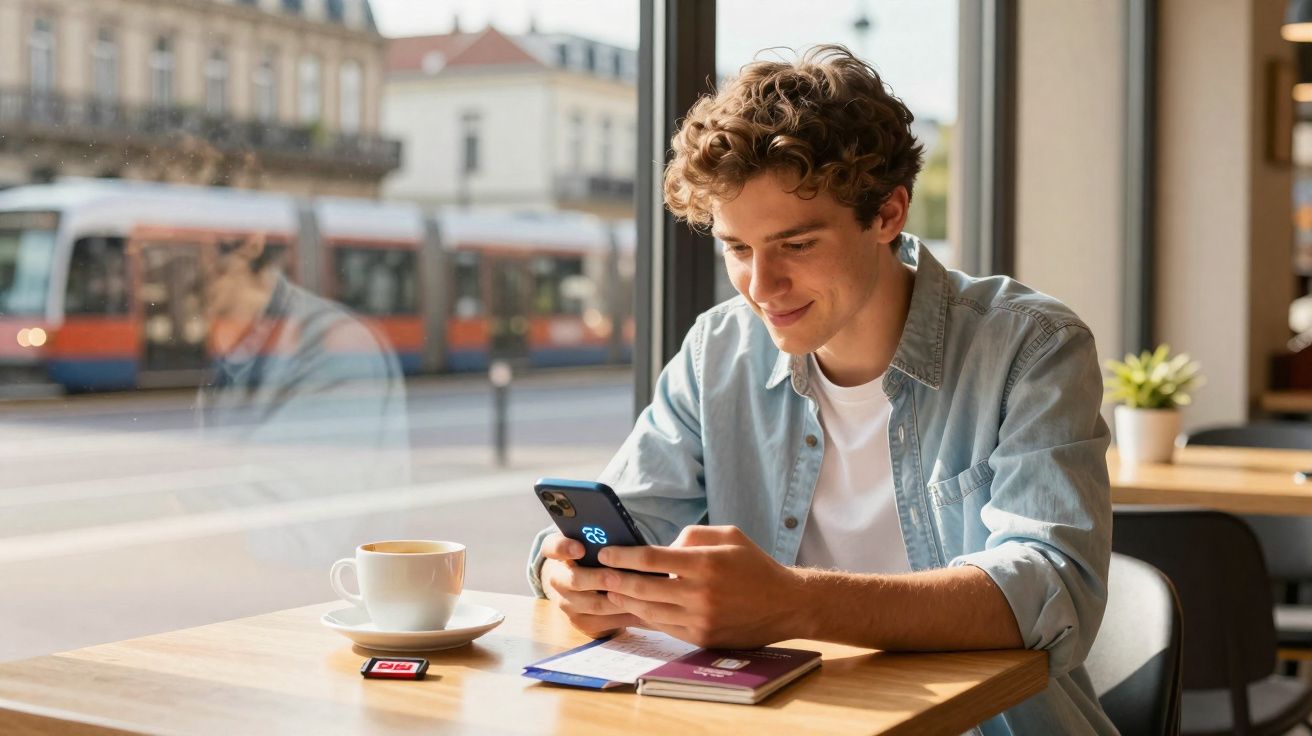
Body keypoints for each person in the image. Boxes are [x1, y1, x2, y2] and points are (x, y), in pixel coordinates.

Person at [526, 45, 1114, 734]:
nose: (760, 287)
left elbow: (1052, 588)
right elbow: (636, 520)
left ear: (888, 214)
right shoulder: (719, 349)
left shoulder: (1030, 346)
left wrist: (795, 602)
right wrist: (566, 571)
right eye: (738, 249)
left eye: (796, 246)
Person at [192, 233, 410, 568]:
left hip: (320, 601)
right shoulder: (231, 347)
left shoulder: (336, 347)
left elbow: (295, 541)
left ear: (250, 244)